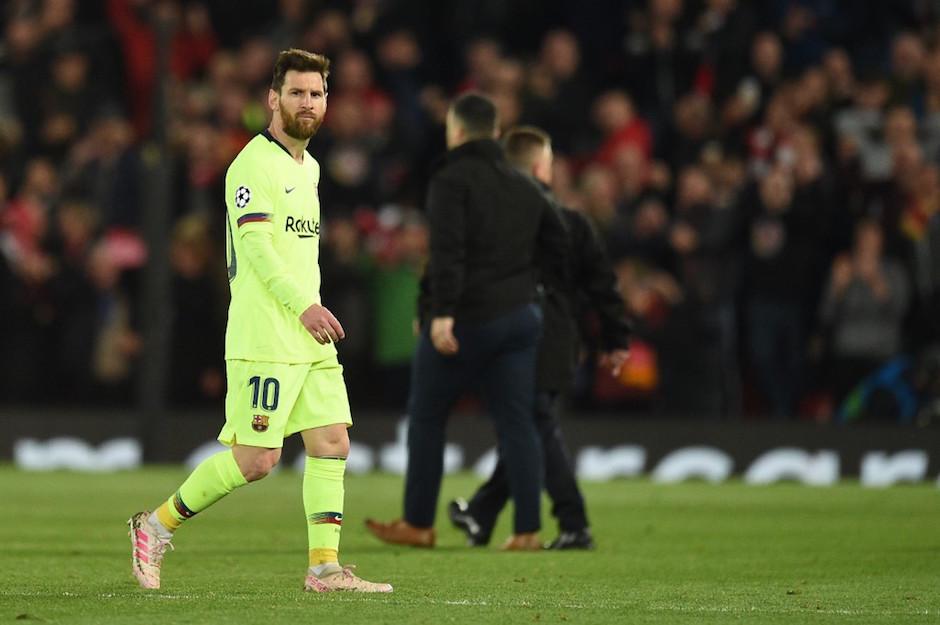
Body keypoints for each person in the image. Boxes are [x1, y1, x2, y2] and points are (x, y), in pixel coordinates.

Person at [127, 49, 391, 593]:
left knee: (332, 442)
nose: (307, 103)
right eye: (296, 93)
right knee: (256, 460)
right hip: (268, 332)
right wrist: (306, 306)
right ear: (273, 100)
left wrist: (308, 312)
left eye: (316, 94)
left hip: (307, 333)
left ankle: (324, 569)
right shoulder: (252, 164)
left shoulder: (310, 167)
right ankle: (154, 526)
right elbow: (257, 250)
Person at [364, 93, 568, 550]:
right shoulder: (524, 185)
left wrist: (439, 313)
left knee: (427, 418)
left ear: (454, 132)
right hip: (518, 321)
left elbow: (447, 254)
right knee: (518, 423)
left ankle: (418, 523)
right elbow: (558, 247)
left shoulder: (452, 179)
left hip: (465, 322)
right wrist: (529, 290)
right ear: (496, 133)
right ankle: (528, 530)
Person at [448, 126, 631, 550]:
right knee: (528, 428)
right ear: (539, 166)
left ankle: (575, 522)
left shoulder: (495, 224)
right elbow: (603, 283)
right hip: (557, 339)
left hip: (523, 337)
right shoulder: (571, 222)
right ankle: (483, 512)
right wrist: (615, 337)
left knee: (534, 427)